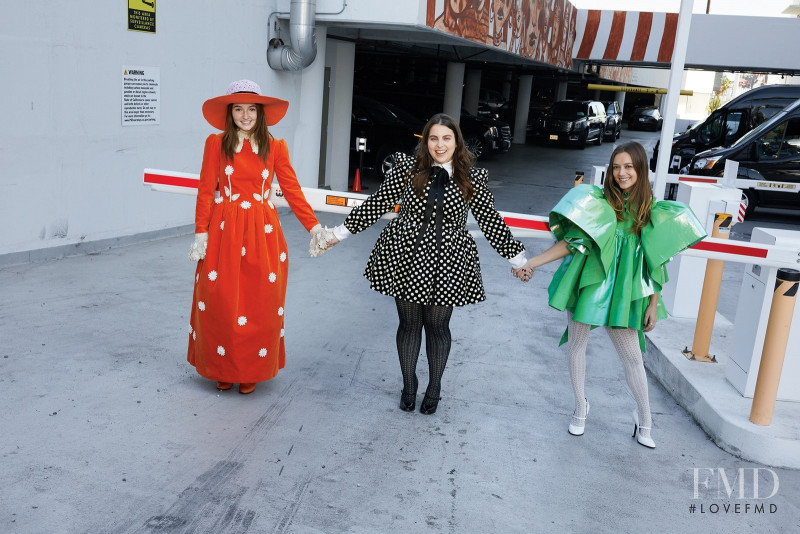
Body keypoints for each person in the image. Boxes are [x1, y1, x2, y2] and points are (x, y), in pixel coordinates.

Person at [324, 113, 528, 415]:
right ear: (426, 141)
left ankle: (435, 387)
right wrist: (337, 234)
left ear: (456, 142)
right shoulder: (407, 169)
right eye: (434, 138)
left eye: (446, 138)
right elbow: (376, 204)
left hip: (448, 260)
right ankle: (409, 384)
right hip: (406, 255)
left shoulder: (470, 176)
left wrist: (518, 259)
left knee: (437, 326)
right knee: (408, 324)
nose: (440, 144)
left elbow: (489, 221)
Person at [515, 141, 706, 448]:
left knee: (632, 357)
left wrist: (653, 304)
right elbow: (572, 243)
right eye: (616, 167)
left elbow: (656, 261)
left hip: (626, 290)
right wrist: (531, 263)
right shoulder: (598, 201)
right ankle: (580, 408)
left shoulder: (651, 211)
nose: (621, 173)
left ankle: (645, 420)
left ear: (640, 169)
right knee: (577, 345)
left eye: (628, 166)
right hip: (591, 280)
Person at [187, 79, 328, 395]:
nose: (245, 115)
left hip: (262, 232)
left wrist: (315, 228)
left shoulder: (275, 147)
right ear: (231, 112)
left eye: (251, 109)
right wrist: (200, 233)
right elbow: (206, 190)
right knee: (220, 298)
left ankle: (249, 368)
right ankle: (223, 366)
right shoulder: (215, 143)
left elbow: (291, 189)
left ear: (260, 112)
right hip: (223, 230)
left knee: (258, 301)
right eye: (239, 109)